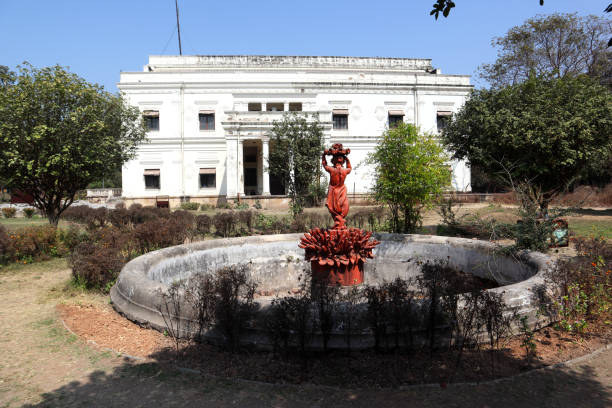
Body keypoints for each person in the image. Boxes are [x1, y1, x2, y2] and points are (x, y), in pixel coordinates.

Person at [322, 144, 351, 229]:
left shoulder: (332, 170)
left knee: (336, 208)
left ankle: (339, 221)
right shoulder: (344, 170)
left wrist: (323, 155)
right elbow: (350, 167)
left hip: (337, 191)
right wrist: (347, 159)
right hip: (339, 190)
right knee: (339, 208)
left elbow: (324, 164)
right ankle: (340, 221)